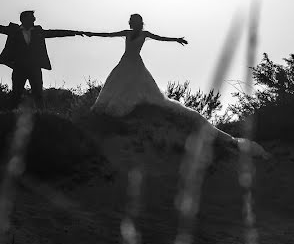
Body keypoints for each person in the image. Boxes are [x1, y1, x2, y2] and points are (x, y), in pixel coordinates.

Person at [83, 13, 267, 156]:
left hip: (136, 63)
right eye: (131, 21)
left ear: (139, 23)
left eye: (134, 21)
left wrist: (176, 39)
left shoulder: (145, 34)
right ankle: (110, 112)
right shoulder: (127, 33)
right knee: (119, 83)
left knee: (135, 85)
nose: (132, 24)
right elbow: (108, 34)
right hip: (126, 61)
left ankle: (130, 108)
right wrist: (90, 33)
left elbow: (160, 38)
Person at [0, 10, 80, 109]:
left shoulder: (38, 31)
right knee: (16, 94)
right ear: (24, 19)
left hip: (34, 68)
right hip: (19, 68)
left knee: (38, 94)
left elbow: (56, 33)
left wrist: (76, 33)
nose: (34, 20)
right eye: (32, 18)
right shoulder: (14, 30)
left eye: (34, 18)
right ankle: (11, 115)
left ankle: (41, 114)